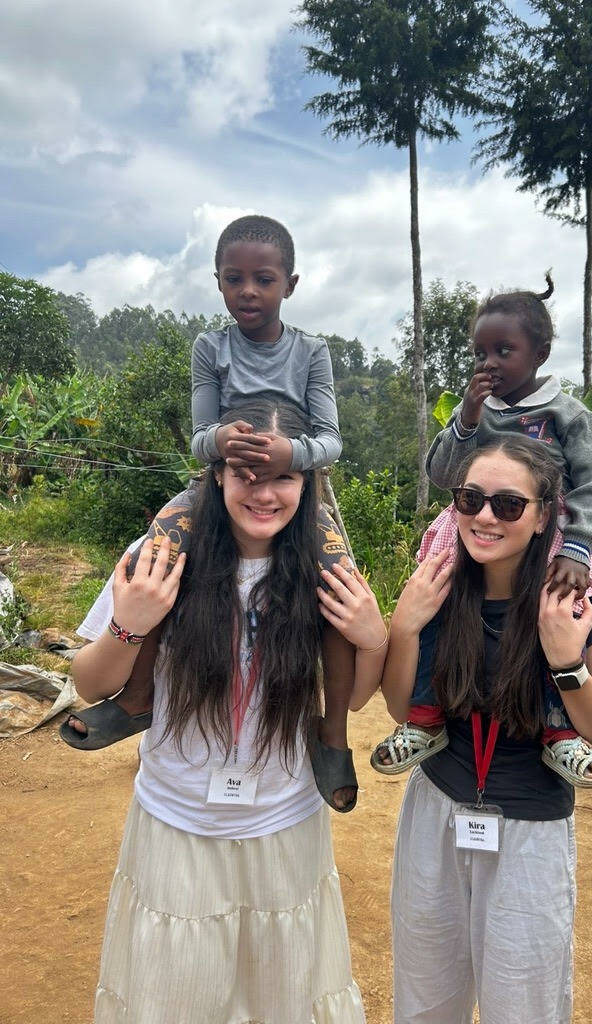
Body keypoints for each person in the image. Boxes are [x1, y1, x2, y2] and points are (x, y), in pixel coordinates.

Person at [70, 399, 385, 1024]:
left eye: (282, 477)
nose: (263, 493)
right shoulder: (158, 556)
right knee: (176, 995)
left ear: (306, 481)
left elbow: (352, 697)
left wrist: (373, 639)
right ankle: (137, 706)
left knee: (283, 995)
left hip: (284, 823)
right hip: (177, 821)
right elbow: (86, 683)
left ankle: (331, 746)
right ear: (216, 474)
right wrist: (130, 627)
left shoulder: (324, 570)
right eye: (245, 474)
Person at [62, 214, 359, 811]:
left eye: (264, 279)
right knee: (160, 552)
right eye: (234, 278)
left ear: (290, 285)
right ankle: (137, 697)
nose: (248, 291)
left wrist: (289, 455)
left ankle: (332, 734)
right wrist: (221, 441)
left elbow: (331, 441)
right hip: (220, 484)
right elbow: (200, 438)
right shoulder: (210, 347)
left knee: (337, 588)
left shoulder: (311, 352)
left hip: (294, 491)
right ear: (218, 282)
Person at [368, 438, 592, 1023]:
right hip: (436, 816)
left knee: (522, 1007)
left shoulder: (576, 603)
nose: (485, 517)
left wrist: (567, 665)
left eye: (509, 505)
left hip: (531, 834)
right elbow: (400, 708)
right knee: (425, 1001)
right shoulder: (438, 585)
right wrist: (405, 627)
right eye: (470, 499)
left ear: (544, 516)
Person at [371, 274, 592, 788]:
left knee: (559, 615)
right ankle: (424, 717)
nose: (490, 363)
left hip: (551, 537)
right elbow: (443, 474)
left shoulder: (567, 415)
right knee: (434, 598)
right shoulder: (476, 414)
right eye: (481, 353)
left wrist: (576, 548)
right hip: (468, 524)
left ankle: (559, 731)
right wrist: (466, 419)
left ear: (540, 354)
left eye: (504, 351)